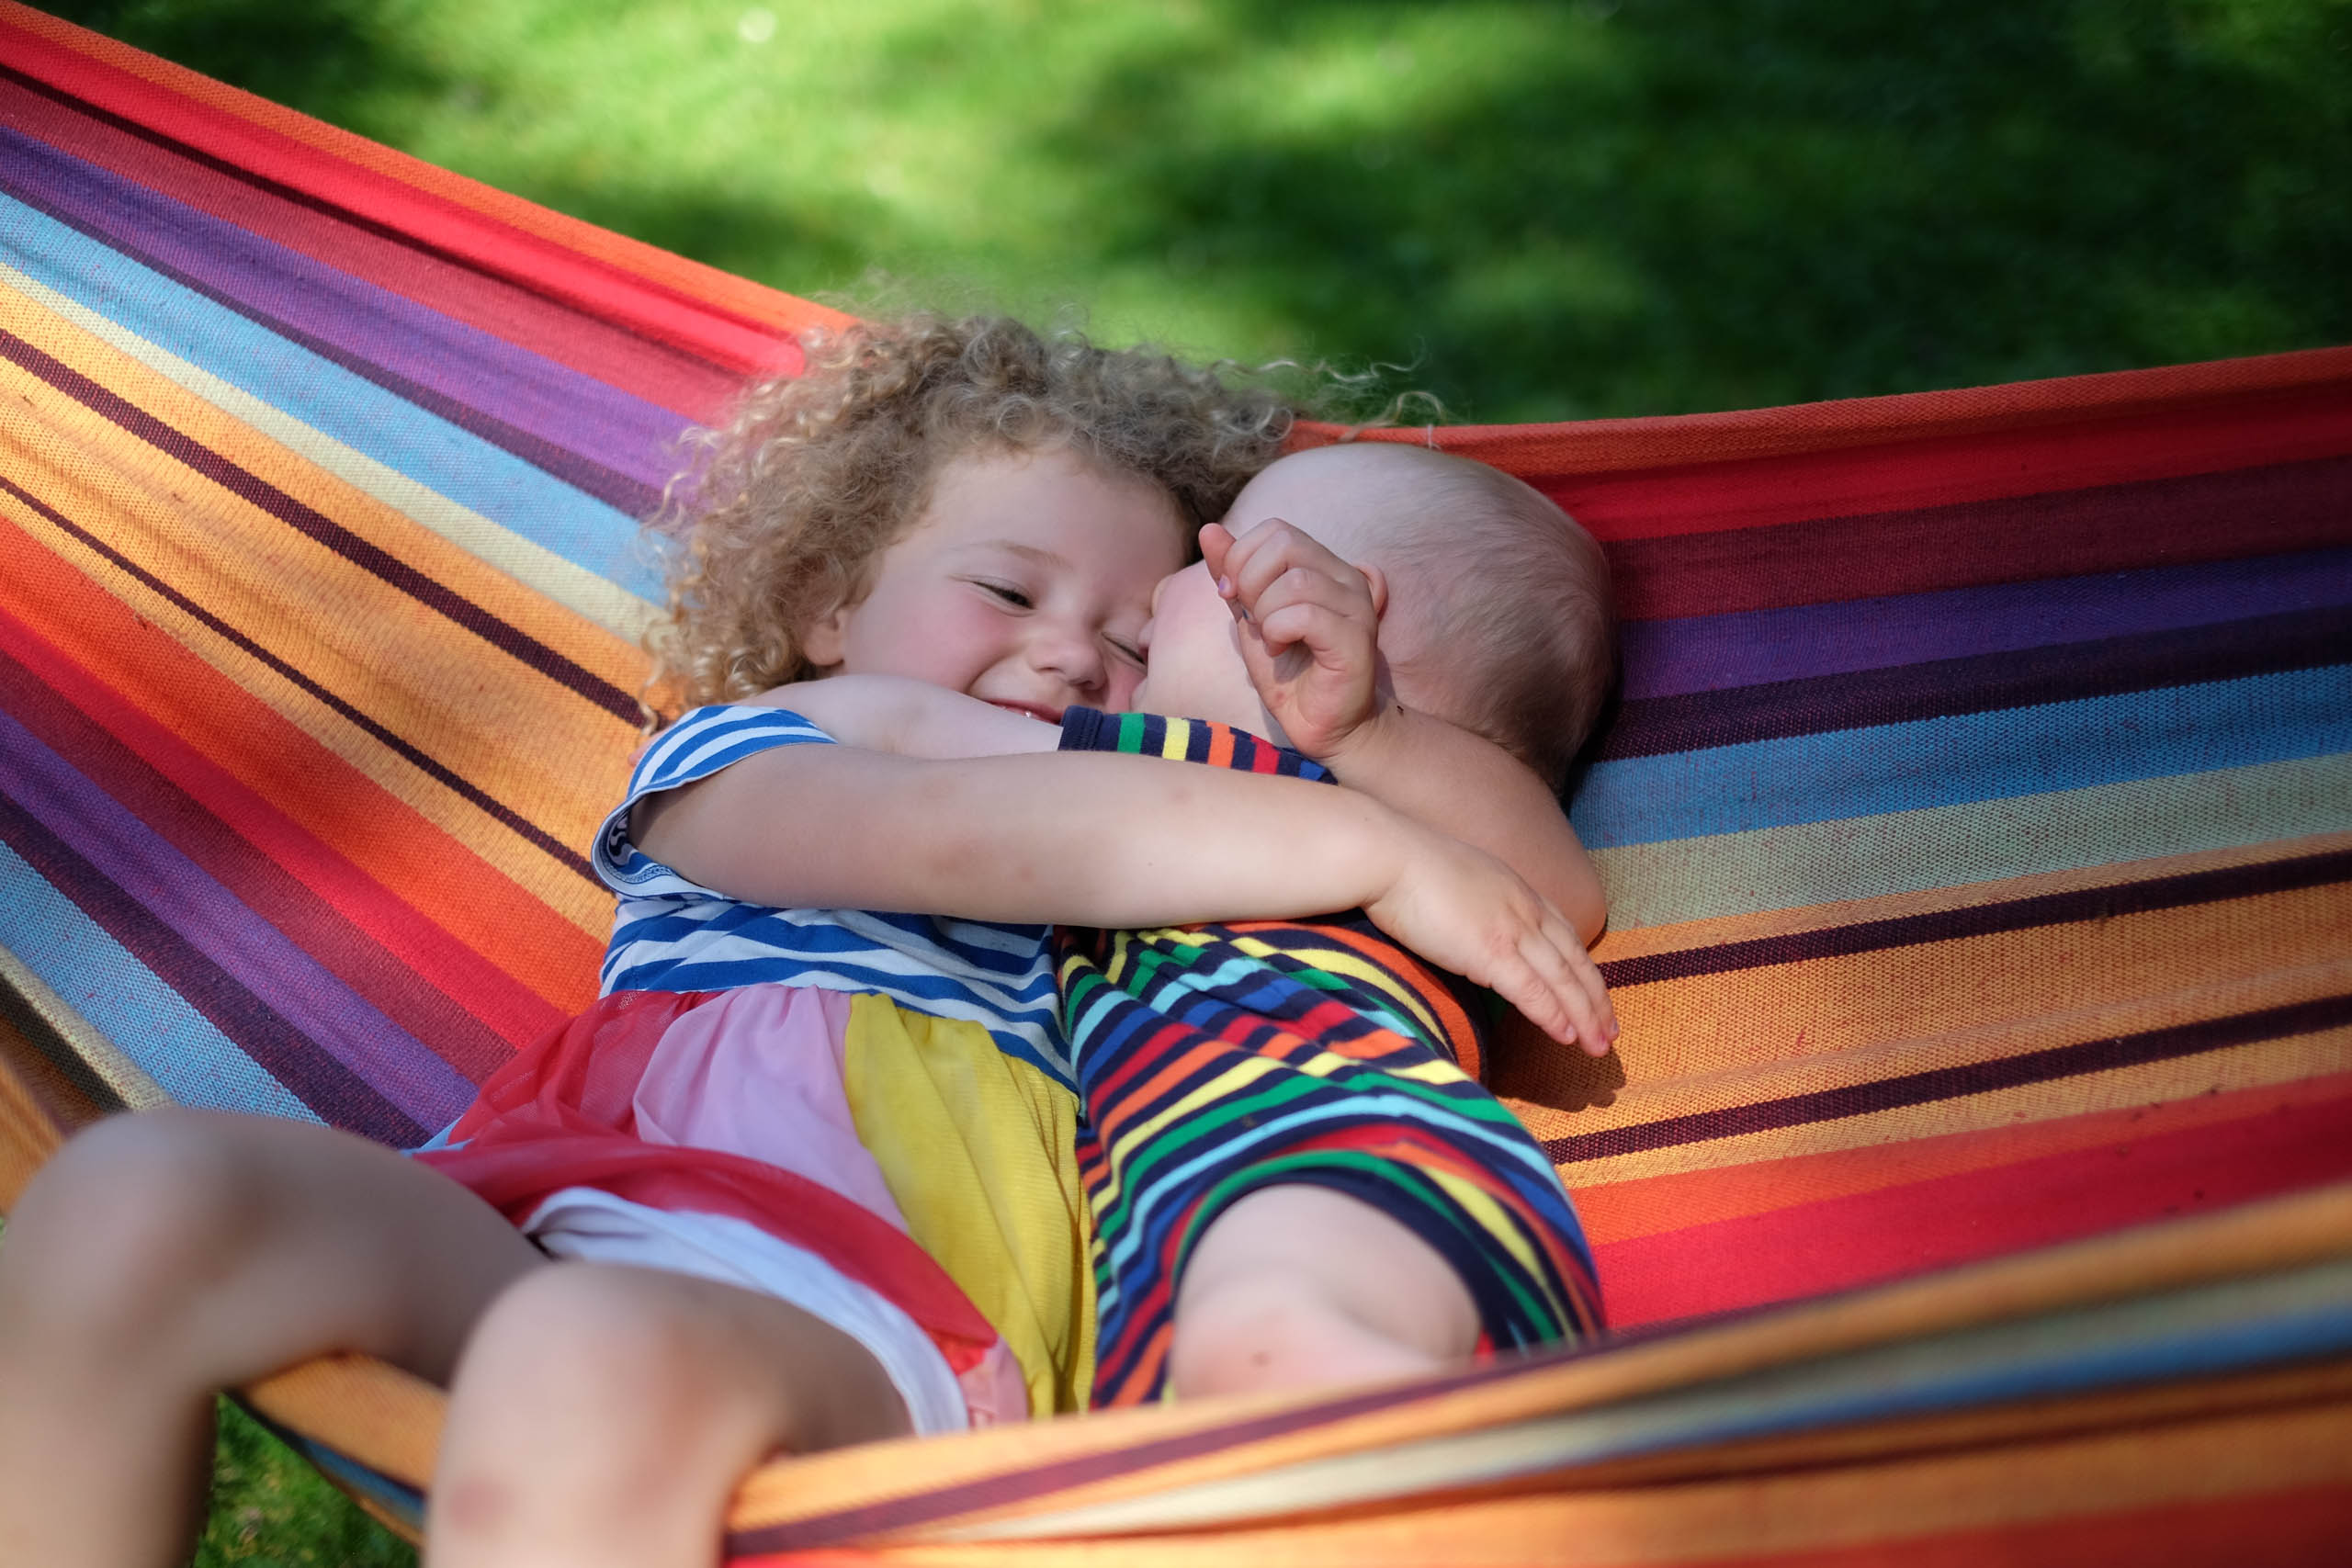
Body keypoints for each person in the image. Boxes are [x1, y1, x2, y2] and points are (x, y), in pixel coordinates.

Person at [0, 318, 1603, 1568]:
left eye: (1132, 639)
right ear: (831, 604)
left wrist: (1372, 763)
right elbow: (964, 834)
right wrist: (1373, 846)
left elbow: (1520, 870)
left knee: (587, 1351)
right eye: (1007, 589)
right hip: (552, 1212)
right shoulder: (751, 756)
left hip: (875, 1309)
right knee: (140, 1189)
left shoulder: (1171, 860)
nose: (1070, 658)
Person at [766, 438, 1621, 1404]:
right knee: (1216, 1383)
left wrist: (1368, 731)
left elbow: (1561, 898)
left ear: (1319, 612)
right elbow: (907, 740)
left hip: (1342, 1136)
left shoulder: (1230, 769)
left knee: (1278, 1329)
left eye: (1209, 563)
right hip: (1147, 1227)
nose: (1159, 599)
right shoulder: (1124, 770)